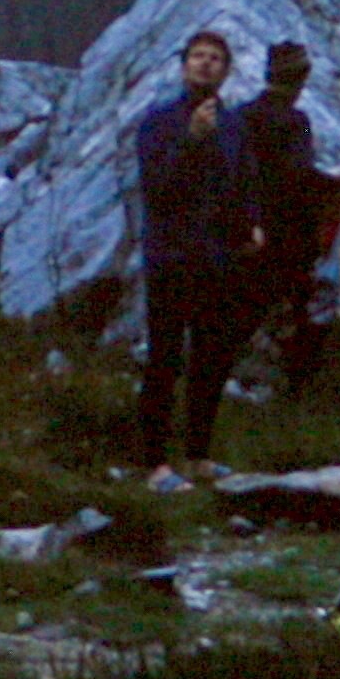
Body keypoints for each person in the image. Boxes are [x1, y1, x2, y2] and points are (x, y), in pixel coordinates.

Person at [129, 28, 259, 489]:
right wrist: (190, 140)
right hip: (171, 254)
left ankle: (198, 454)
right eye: (197, 56)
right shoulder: (159, 122)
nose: (205, 64)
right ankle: (153, 462)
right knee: (165, 357)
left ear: (226, 71)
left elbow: (242, 180)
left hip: (219, 256)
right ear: (183, 66)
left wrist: (250, 226)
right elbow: (157, 189)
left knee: (212, 357)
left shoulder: (233, 123)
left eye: (215, 58)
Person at [236, 40, 340, 398]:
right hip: (290, 233)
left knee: (247, 307)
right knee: (299, 310)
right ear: (302, 79)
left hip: (245, 228)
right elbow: (299, 174)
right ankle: (295, 387)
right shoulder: (297, 121)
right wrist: (332, 184)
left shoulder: (241, 116)